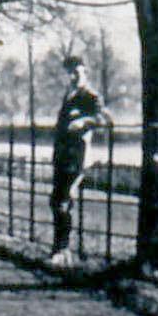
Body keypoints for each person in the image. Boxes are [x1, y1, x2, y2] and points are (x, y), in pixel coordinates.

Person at [49, 54, 112, 265]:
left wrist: (84, 122)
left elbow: (103, 118)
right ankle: (60, 250)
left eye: (77, 72)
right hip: (62, 156)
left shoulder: (90, 96)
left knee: (64, 200)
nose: (73, 76)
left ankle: (62, 250)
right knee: (56, 200)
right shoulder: (68, 95)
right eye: (70, 73)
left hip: (78, 155)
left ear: (85, 71)